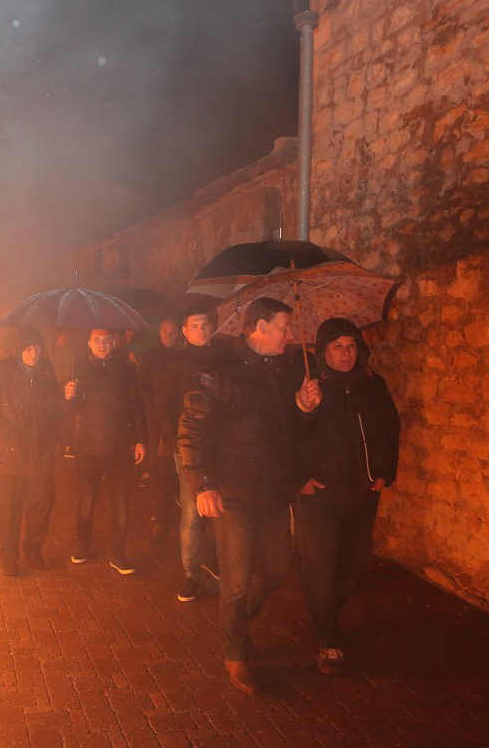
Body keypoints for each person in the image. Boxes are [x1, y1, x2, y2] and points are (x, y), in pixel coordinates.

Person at [178, 297, 321, 695]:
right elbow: (191, 429)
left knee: (277, 568)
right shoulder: (217, 370)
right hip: (234, 492)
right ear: (259, 328)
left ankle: (237, 626)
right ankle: (236, 652)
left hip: (272, 491)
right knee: (237, 580)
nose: (289, 335)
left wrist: (302, 406)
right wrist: (202, 482)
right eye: (283, 327)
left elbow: (286, 433)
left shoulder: (281, 371)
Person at [295, 317, 400, 675]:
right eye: (337, 346)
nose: (346, 353)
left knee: (352, 566)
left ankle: (326, 611)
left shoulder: (373, 384)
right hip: (321, 495)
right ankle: (328, 640)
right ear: (324, 351)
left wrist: (386, 471)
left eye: (351, 345)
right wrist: (305, 407)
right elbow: (291, 436)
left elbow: (390, 429)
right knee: (321, 567)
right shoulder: (310, 388)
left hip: (363, 491)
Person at [0, 327, 62, 577]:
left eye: (37, 349)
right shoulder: (0, 371)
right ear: (18, 350)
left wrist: (66, 399)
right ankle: (9, 556)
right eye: (28, 349)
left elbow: (55, 408)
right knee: (9, 509)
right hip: (10, 454)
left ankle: (33, 548)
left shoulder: (46, 369)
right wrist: (14, 442)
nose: (33, 354)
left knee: (41, 503)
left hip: (41, 452)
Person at [64, 328, 147, 574]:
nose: (102, 344)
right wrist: (68, 397)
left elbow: (137, 406)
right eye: (97, 340)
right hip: (88, 446)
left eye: (106, 340)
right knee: (86, 501)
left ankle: (119, 554)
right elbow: (69, 412)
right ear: (88, 343)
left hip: (120, 445)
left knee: (121, 503)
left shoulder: (126, 370)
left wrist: (141, 440)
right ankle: (83, 545)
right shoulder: (78, 369)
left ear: (114, 342)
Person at [167, 306, 224, 604]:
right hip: (189, 447)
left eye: (205, 324)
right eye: (195, 326)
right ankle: (192, 574)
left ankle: (212, 562)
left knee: (222, 506)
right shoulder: (176, 363)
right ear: (185, 331)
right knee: (192, 512)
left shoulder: (226, 358)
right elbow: (167, 406)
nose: (202, 330)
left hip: (223, 446)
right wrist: (176, 444)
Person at [137, 316, 181, 543]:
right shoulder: (150, 357)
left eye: (173, 332)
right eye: (165, 332)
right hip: (157, 424)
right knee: (161, 472)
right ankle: (161, 520)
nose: (169, 337)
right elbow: (143, 389)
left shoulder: (184, 356)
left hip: (179, 422)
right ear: (159, 333)